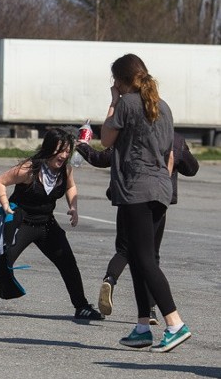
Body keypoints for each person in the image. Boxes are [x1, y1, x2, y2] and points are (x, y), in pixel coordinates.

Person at [0, 128, 103, 321]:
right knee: (2, 264)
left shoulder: (65, 169)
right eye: (60, 150)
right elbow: (0, 181)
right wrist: (5, 205)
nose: (64, 155)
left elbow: (71, 186)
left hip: (46, 224)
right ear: (49, 148)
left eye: (68, 151)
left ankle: (81, 307)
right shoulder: (29, 170)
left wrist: (73, 207)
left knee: (68, 263)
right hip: (23, 222)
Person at [100, 53, 190, 352]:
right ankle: (142, 327)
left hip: (137, 190)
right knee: (140, 257)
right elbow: (169, 153)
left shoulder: (126, 103)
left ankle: (175, 324)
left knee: (146, 260)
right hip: (160, 188)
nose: (114, 85)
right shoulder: (163, 106)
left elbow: (106, 139)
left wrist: (113, 100)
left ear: (122, 79)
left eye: (116, 80)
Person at [76, 133, 199, 323]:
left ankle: (110, 279)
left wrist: (82, 145)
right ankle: (150, 310)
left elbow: (101, 159)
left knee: (125, 250)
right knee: (151, 256)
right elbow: (192, 169)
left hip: (129, 200)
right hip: (159, 201)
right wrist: (179, 154)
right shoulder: (175, 139)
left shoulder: (131, 135)